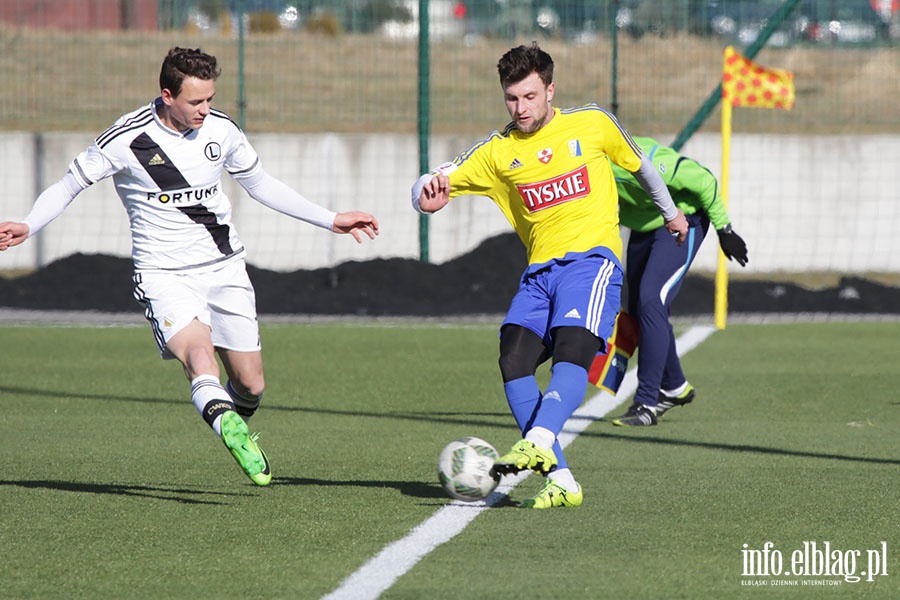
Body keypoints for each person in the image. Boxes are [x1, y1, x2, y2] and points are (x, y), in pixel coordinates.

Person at [0, 47, 379, 486]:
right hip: (164, 275)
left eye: (211, 99)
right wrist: (29, 223)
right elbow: (69, 185)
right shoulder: (125, 140)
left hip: (224, 268)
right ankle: (226, 427)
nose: (205, 109)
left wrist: (331, 219)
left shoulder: (222, 131)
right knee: (199, 356)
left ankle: (231, 415)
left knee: (252, 385)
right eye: (196, 101)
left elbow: (261, 186)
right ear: (167, 95)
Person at [412, 43, 688, 508]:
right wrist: (426, 195)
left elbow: (642, 167)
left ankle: (538, 439)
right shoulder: (498, 152)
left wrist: (671, 214)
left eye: (529, 96)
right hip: (539, 273)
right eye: (511, 99)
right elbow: (429, 183)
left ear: (550, 90)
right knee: (513, 360)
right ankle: (561, 479)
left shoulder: (593, 123)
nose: (520, 108)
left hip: (593, 262)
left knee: (572, 346)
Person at [609, 136, 748, 426]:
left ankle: (646, 403)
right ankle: (675, 387)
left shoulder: (644, 161)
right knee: (640, 309)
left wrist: (725, 230)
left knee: (651, 299)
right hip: (644, 225)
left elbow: (704, 180)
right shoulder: (581, 169)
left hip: (684, 219)